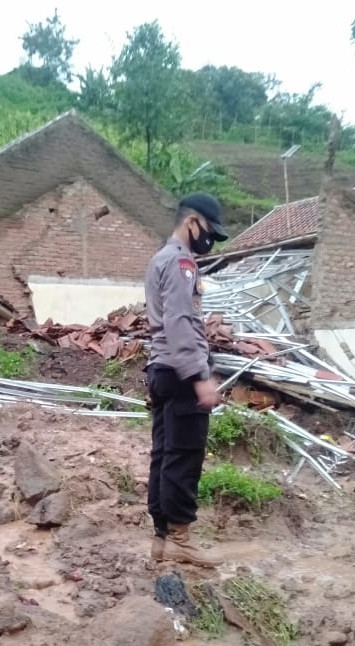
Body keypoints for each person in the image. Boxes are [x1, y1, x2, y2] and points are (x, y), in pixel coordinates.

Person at [145, 192, 228, 568]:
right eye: (209, 231)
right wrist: (199, 376)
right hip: (180, 372)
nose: (209, 239)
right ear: (192, 222)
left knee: (164, 455)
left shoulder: (160, 259)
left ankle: (162, 541)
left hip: (161, 369)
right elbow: (180, 322)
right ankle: (180, 539)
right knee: (184, 455)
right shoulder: (181, 263)